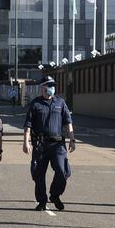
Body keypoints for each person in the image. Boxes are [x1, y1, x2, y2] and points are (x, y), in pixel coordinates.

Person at [23, 76, 75, 211]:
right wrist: (26, 142)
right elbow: (28, 125)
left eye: (53, 85)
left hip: (58, 145)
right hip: (40, 145)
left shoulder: (60, 102)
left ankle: (55, 195)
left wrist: (72, 139)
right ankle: (41, 201)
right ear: (42, 87)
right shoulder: (36, 104)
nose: (52, 88)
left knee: (62, 172)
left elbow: (68, 122)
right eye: (49, 85)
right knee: (39, 175)